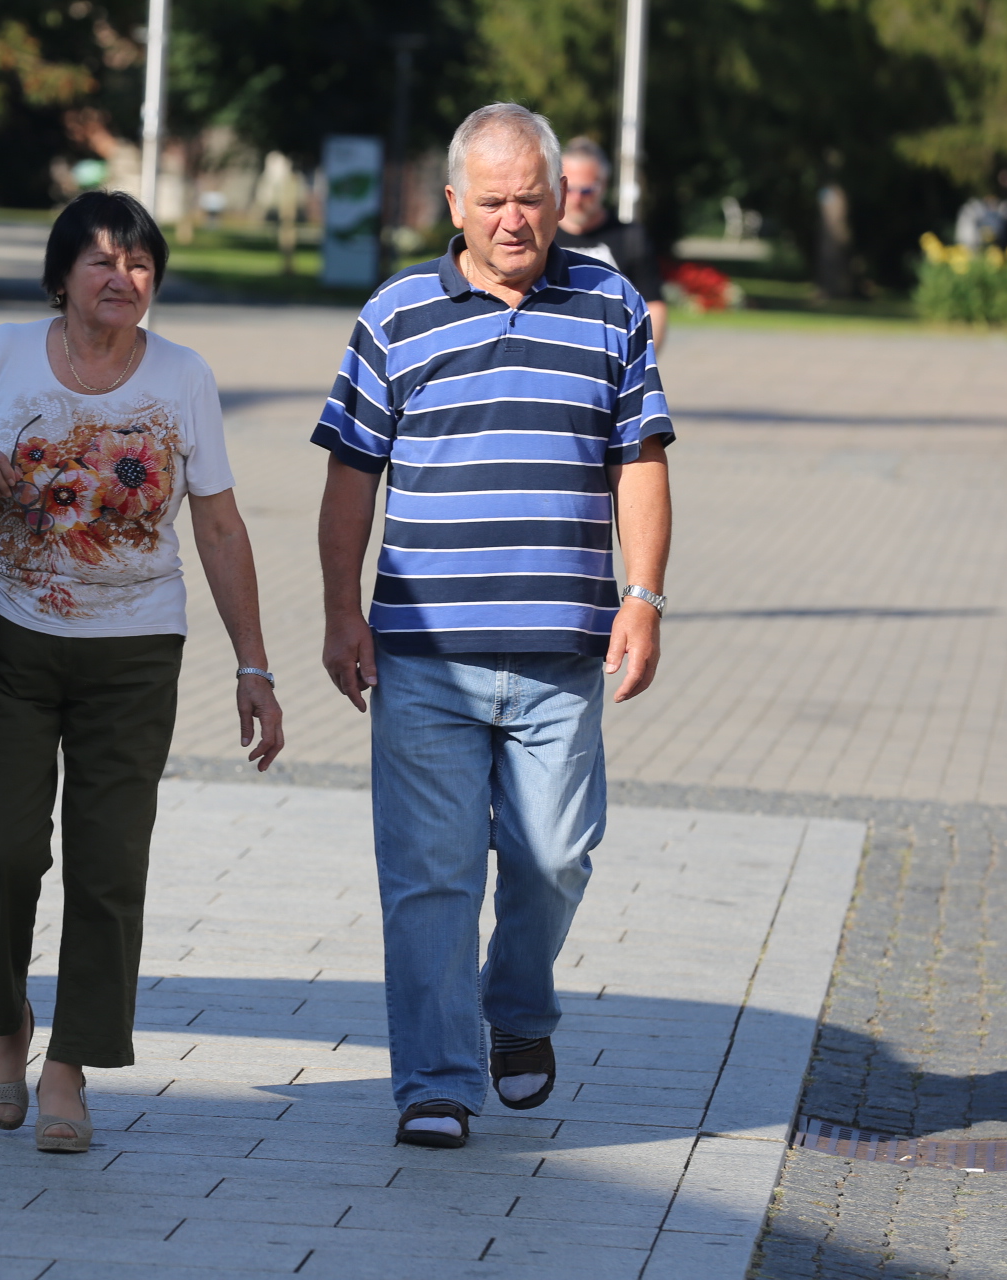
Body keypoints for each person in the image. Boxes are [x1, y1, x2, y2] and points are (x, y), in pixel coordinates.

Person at [314, 104, 673, 1149]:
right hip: (424, 655)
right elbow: (351, 478)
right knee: (430, 876)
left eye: (532, 198)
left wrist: (644, 598)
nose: (514, 219)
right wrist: (340, 612)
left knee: (555, 856)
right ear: (454, 204)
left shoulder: (610, 305)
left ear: (561, 199)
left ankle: (515, 1004)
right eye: (494, 201)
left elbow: (641, 462)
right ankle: (435, 1081)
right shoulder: (395, 314)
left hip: (563, 653)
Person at [0, 190, 284, 1153]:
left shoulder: (184, 376)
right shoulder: (2, 353)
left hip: (135, 650)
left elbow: (218, 524)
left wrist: (253, 664)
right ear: (61, 277)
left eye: (140, 262)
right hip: (6, 636)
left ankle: (70, 1065)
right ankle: (6, 1012)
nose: (124, 277)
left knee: (110, 863)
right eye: (103, 260)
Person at [556, 136, 667, 350]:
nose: (577, 199)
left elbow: (653, 306)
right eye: (569, 189)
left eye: (586, 191)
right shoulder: (542, 236)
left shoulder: (629, 237)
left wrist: (641, 360)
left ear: (603, 185)